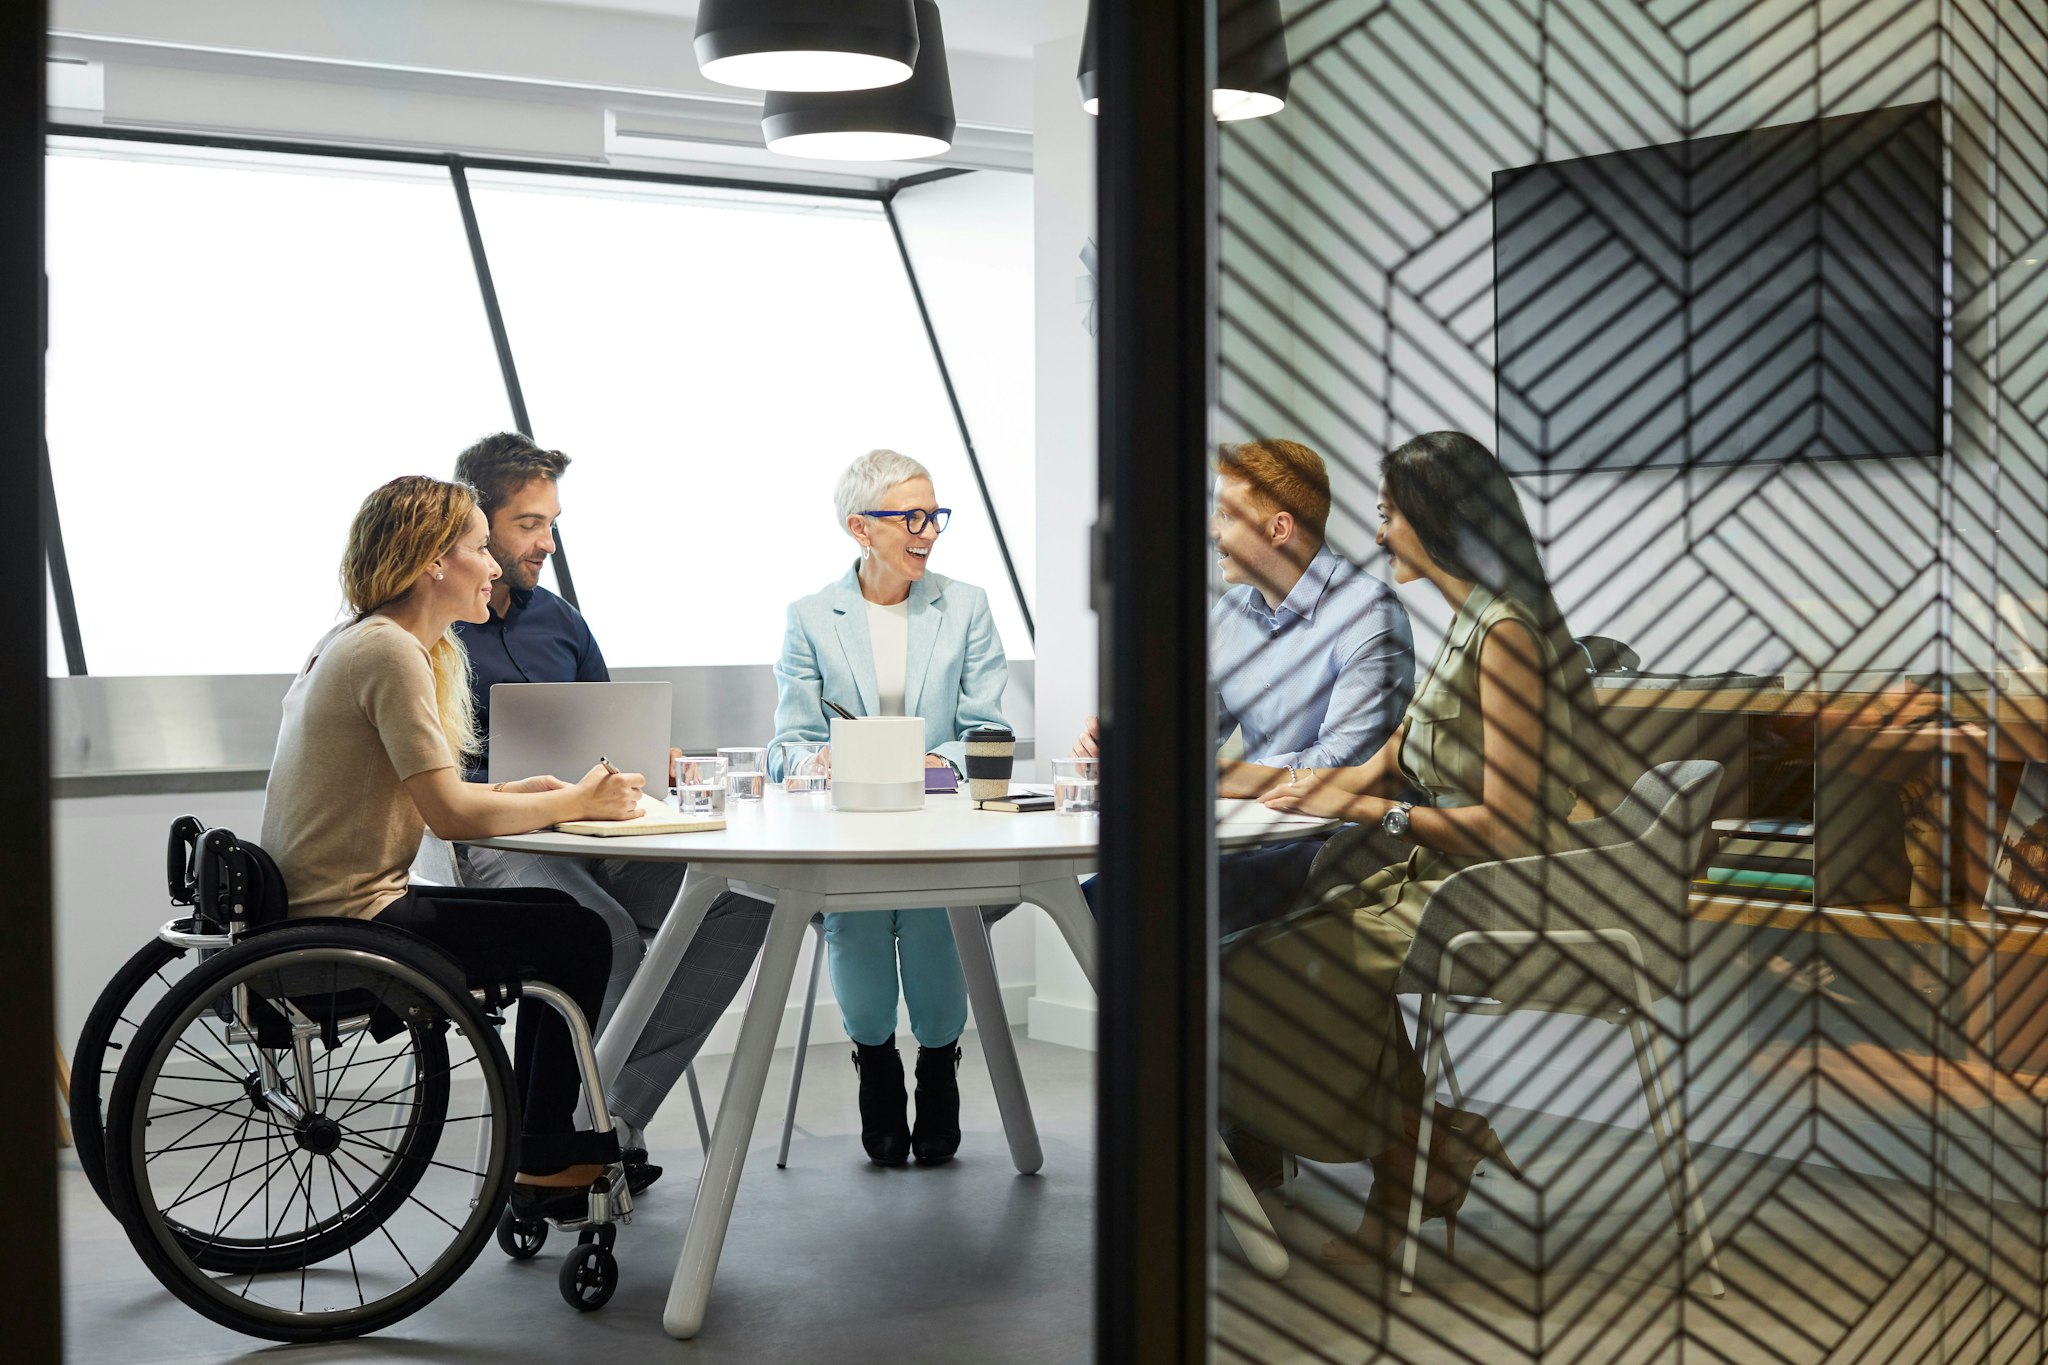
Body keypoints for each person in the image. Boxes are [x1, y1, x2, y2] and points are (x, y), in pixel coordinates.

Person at [1221, 430, 1618, 1265]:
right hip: (1430, 873)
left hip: (1487, 886)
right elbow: (1391, 755)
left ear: (1437, 521)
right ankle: (1423, 1150)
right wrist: (1326, 790)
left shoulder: (1504, 636)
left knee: (1259, 969)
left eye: (1388, 515)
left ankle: (1405, 1165)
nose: (1376, 534)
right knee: (1271, 949)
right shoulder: (1472, 618)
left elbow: (1507, 824)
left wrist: (1379, 815)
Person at [260, 475, 645, 1220]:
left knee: (557, 924)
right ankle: (543, 1148)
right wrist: (579, 800)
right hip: (355, 920)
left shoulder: (359, 640)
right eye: (479, 548)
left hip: (327, 908)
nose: (494, 566)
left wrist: (526, 793)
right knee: (579, 932)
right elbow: (448, 815)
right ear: (435, 561)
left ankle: (541, 1141)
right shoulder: (391, 652)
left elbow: (432, 798)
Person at [448, 433, 772, 1194]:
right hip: (501, 839)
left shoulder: (561, 620)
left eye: (552, 523)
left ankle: (609, 1120)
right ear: (479, 520)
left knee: (741, 897)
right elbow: (442, 785)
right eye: (529, 523)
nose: (546, 542)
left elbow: (611, 732)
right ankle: (560, 1139)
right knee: (603, 931)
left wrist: (663, 763)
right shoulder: (436, 628)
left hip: (598, 833)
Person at [767, 449, 1009, 1167]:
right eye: (910, 516)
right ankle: (876, 1063)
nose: (927, 530)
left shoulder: (965, 606)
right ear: (859, 528)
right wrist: (817, 759)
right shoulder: (811, 617)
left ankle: (939, 1066)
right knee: (860, 922)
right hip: (850, 825)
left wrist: (943, 761)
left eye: (934, 514)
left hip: (938, 821)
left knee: (936, 923)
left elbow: (986, 729)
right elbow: (790, 741)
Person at [1075, 438, 1416, 934]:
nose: (1212, 532)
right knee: (1096, 898)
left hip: (1336, 846)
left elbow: (1344, 763)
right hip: (1249, 835)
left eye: (1226, 517)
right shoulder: (1231, 613)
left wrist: (1209, 777)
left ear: (1279, 528)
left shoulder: (1370, 615)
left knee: (1122, 899)